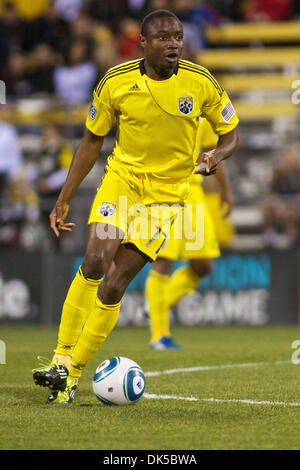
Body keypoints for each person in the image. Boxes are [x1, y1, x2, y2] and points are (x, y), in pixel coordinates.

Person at [32, 9, 239, 404]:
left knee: (115, 285)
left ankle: (72, 376)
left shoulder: (202, 82)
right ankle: (60, 358)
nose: (173, 43)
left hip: (165, 199)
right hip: (122, 185)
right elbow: (92, 140)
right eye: (163, 37)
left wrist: (216, 156)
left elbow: (231, 134)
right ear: (142, 43)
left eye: (177, 36)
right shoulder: (116, 82)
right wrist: (64, 197)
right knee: (95, 260)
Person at [142, 117, 234, 349]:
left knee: (203, 265)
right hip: (165, 189)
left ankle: (158, 302)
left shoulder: (200, 113)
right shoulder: (159, 104)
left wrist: (226, 190)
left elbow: (211, 153)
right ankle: (160, 335)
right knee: (163, 259)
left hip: (193, 192)